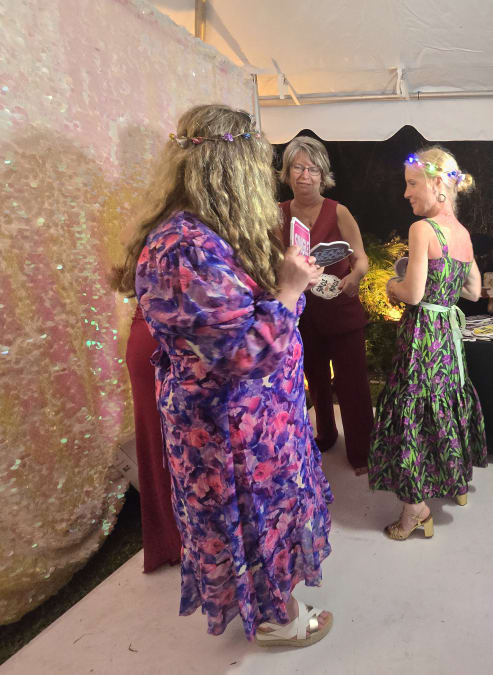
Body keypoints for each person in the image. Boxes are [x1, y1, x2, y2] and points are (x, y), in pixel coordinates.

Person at [110, 104, 333, 646]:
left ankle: (270, 606)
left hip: (255, 423)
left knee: (266, 521)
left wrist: (286, 282)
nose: (265, 178)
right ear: (231, 170)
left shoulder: (211, 233)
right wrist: (289, 290)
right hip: (230, 431)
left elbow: (243, 318)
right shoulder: (184, 247)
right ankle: (277, 622)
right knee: (253, 523)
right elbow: (242, 356)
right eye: (258, 166)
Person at [368, 146, 488, 540]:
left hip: (422, 338)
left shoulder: (422, 230)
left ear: (437, 184)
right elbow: (473, 291)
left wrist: (392, 284)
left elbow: (414, 293)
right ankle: (455, 482)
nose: (406, 193)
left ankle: (414, 512)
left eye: (412, 184)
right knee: (445, 405)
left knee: (412, 413)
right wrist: (444, 290)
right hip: (448, 340)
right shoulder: (463, 234)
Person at [278, 136, 373, 476]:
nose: (304, 175)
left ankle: (362, 452)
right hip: (302, 313)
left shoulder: (338, 211)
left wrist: (354, 277)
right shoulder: (278, 214)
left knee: (353, 383)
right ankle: (326, 435)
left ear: (323, 174)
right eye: (297, 168)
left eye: (312, 168)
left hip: (341, 307)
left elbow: (361, 258)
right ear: (287, 173)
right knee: (315, 380)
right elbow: (272, 260)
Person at [124, 307, 182, 572]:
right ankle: (178, 538)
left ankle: (179, 537)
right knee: (166, 446)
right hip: (165, 342)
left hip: (161, 337)